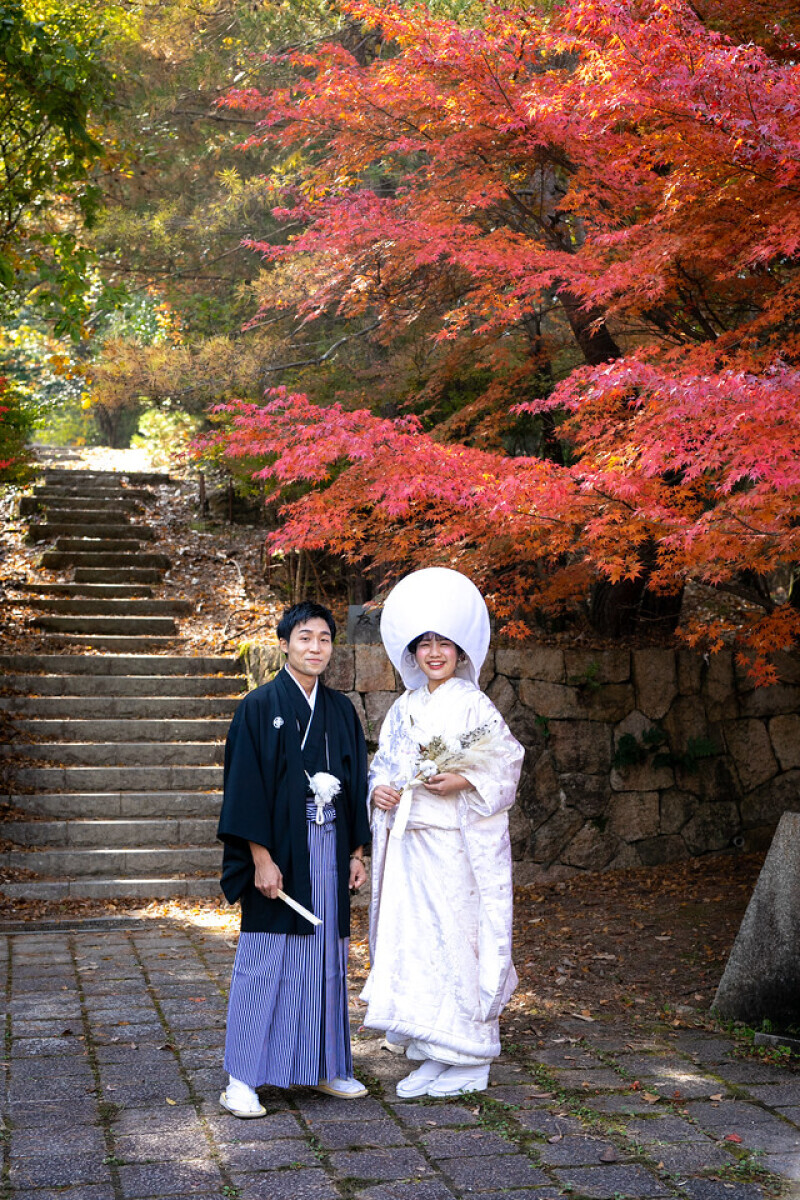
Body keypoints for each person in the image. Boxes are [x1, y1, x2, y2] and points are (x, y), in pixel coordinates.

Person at [361, 567, 524, 1098]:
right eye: (424, 644)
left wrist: (464, 778)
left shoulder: (474, 705)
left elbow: (506, 764)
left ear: (460, 652)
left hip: (456, 846)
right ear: (412, 654)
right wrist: (379, 791)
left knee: (458, 942)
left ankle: (470, 1057)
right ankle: (433, 1049)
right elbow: (385, 765)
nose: (434, 653)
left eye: (444, 644)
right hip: (411, 845)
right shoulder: (403, 708)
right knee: (417, 944)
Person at [217, 600, 371, 1117]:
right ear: (284, 643)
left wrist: (356, 850)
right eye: (305, 638)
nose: (315, 648)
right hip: (280, 848)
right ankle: (242, 1077)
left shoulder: (340, 709)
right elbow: (245, 788)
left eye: (324, 639)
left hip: (327, 846)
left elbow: (355, 783)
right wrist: (259, 857)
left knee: (326, 955)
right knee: (267, 957)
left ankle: (325, 1065)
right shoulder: (259, 706)